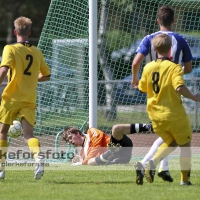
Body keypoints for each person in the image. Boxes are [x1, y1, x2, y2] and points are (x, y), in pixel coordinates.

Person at [131, 5, 193, 185]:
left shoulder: (148, 39)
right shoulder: (180, 40)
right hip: (173, 95)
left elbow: (136, 62)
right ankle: (174, 175)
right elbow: (187, 68)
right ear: (173, 20)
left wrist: (136, 79)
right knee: (180, 140)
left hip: (154, 97)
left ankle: (158, 167)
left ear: (158, 20)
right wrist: (175, 73)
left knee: (167, 138)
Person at [138, 33, 200, 185]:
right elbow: (179, 87)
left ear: (154, 48)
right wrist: (194, 97)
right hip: (173, 114)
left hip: (155, 115)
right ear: (171, 49)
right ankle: (184, 180)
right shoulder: (174, 67)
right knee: (185, 145)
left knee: (171, 142)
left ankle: (152, 162)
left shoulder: (148, 67)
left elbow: (142, 88)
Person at [0, 16, 51, 179]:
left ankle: (1, 168)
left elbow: (3, 71)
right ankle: (38, 158)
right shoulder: (36, 51)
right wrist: (32, 78)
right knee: (29, 135)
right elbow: (46, 75)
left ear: (15, 32)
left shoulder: (10, 48)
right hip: (29, 98)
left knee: (2, 132)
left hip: (11, 98)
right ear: (29, 32)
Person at [62, 125, 133, 165]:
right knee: (90, 162)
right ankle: (112, 158)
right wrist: (79, 161)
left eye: (70, 137)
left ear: (77, 133)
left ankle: (143, 127)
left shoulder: (91, 131)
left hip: (120, 146)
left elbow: (97, 145)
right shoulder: (83, 152)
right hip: (118, 158)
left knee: (116, 128)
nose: (71, 141)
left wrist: (83, 163)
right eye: (69, 141)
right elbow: (88, 161)